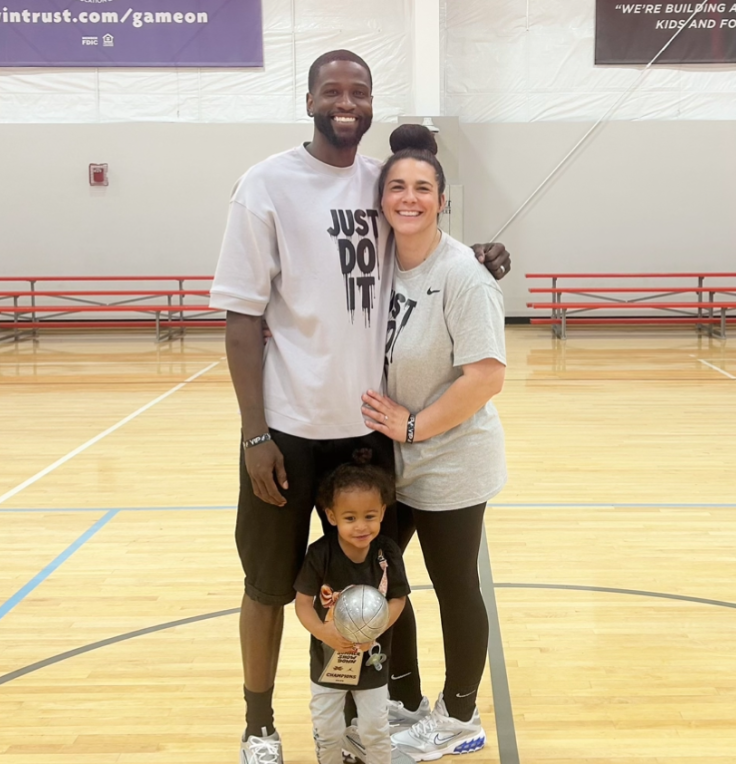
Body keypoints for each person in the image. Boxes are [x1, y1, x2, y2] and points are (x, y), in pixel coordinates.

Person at [209, 49, 511, 764]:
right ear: (309, 97)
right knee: (268, 586)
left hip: (368, 440)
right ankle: (259, 726)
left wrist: (475, 257)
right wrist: (255, 434)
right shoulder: (266, 185)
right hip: (286, 432)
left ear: (371, 104)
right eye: (332, 90)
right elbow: (240, 322)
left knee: (370, 583)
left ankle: (369, 715)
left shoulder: (379, 180)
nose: (346, 102)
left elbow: (419, 232)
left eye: (359, 92)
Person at [360, 124, 507, 760]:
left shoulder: (464, 276)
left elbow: (487, 377)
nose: (409, 197)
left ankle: (460, 718)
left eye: (423, 187)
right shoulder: (379, 262)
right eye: (397, 186)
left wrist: (415, 427)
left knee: (453, 586)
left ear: (442, 199)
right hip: (393, 465)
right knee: (389, 584)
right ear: (381, 198)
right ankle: (408, 700)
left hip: (450, 459)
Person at [294, 453, 409, 764]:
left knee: (374, 729)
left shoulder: (386, 552)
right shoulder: (320, 554)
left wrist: (375, 628)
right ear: (331, 516)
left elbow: (398, 598)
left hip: (372, 663)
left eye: (370, 516)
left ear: (383, 512)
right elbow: (303, 603)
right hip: (327, 662)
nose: (361, 526)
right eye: (350, 518)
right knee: (328, 730)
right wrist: (322, 632)